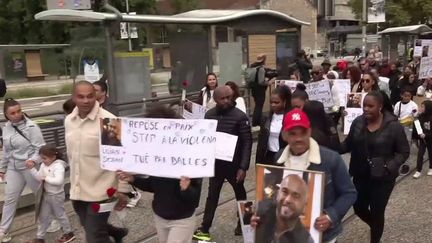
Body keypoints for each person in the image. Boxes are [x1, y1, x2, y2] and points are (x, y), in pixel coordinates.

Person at [268, 108, 357, 242]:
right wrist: (262, 218)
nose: (298, 138)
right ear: (284, 135)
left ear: (309, 132)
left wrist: (330, 216)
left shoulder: (331, 159)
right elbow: (273, 193)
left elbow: (349, 193)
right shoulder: (279, 157)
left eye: (303, 132)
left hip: (322, 236)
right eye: (292, 133)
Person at [117, 105, 202, 243]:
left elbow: (194, 199)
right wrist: (132, 179)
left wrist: (185, 188)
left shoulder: (190, 157)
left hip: (182, 219)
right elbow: (153, 185)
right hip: (160, 215)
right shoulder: (157, 157)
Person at [65, 81, 130, 243]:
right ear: (74, 97)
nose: (86, 101)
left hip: (103, 191)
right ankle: (116, 233)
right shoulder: (69, 120)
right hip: (78, 190)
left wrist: (122, 189)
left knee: (94, 236)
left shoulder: (109, 121)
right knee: (88, 226)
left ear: (97, 96)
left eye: (90, 96)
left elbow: (119, 157)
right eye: (81, 97)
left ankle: (111, 233)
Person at [340, 91, 410, 243]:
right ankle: (376, 226)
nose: (366, 109)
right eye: (364, 105)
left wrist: (389, 166)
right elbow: (348, 144)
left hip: (383, 178)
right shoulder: (358, 122)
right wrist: (330, 145)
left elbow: (404, 151)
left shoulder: (394, 126)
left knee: (378, 211)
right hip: (360, 174)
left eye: (370, 106)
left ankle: (375, 238)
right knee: (358, 207)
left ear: (380, 106)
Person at [193, 86, 252, 241]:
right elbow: (205, 138)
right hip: (216, 164)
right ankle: (205, 228)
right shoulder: (209, 115)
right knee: (212, 195)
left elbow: (247, 142)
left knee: (241, 194)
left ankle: (246, 222)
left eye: (229, 97)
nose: (227, 101)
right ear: (216, 100)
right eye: (223, 98)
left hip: (235, 165)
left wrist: (243, 167)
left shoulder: (240, 116)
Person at [0, 98, 46, 242]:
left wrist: (33, 160)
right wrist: (2, 168)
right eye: (12, 113)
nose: (17, 115)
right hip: (14, 168)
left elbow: (40, 148)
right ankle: (4, 230)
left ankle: (49, 221)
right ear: (6, 115)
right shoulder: (6, 127)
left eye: (19, 111)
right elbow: (6, 150)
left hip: (29, 166)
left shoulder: (32, 127)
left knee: (41, 196)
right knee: (10, 199)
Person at [26, 144, 75, 243]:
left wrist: (46, 178)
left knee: (60, 215)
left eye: (45, 158)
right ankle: (40, 237)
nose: (43, 161)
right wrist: (32, 169)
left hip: (56, 195)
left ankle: (68, 233)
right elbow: (39, 177)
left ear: (53, 157)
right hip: (46, 194)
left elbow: (59, 181)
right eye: (41, 158)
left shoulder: (58, 166)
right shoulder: (44, 165)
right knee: (43, 216)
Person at [254, 174, 313, 243]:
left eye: (295, 196)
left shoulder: (305, 240)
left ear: (304, 207)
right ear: (277, 194)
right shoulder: (258, 211)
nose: (288, 200)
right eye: (285, 192)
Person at [256, 86, 291, 165]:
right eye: (271, 102)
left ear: (284, 101)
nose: (273, 105)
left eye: (276, 102)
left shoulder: (289, 118)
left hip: (284, 156)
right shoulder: (266, 118)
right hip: (268, 156)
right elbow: (261, 142)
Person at [413, 100, 432, 178]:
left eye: (423, 107)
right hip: (422, 140)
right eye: (421, 106)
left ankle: (431, 168)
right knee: (420, 154)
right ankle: (418, 170)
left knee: (431, 154)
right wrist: (418, 135)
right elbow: (417, 127)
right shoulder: (420, 117)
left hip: (430, 139)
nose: (421, 108)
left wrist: (426, 135)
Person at [250, 54, 269, 126]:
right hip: (260, 90)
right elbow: (261, 82)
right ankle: (256, 122)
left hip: (254, 89)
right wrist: (268, 82)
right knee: (259, 106)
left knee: (257, 105)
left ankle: (256, 121)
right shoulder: (261, 69)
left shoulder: (252, 66)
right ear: (264, 60)